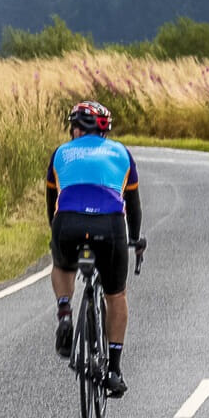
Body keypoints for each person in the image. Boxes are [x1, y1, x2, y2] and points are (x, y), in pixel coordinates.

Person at [47, 100, 142, 397]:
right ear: (104, 131)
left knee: (62, 266)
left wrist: (57, 230)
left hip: (68, 223)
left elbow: (52, 202)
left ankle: (64, 312)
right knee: (116, 295)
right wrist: (135, 239)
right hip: (109, 227)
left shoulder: (61, 153)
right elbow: (133, 206)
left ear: (75, 129)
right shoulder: (121, 153)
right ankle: (114, 369)